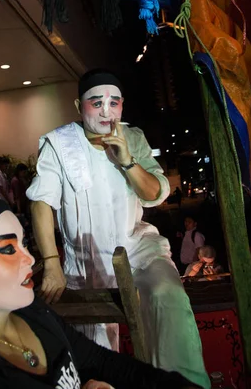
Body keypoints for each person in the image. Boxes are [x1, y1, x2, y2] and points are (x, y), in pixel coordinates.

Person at [0, 189, 199, 389]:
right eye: (8, 249)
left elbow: (100, 361)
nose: (30, 258)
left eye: (24, 242)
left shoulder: (33, 312)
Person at [27, 69, 210, 389]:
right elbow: (41, 202)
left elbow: (154, 195)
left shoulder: (133, 137)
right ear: (78, 105)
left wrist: (127, 161)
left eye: (114, 102)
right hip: (85, 257)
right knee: (98, 355)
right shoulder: (58, 143)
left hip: (134, 246)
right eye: (96, 103)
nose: (106, 111)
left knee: (166, 293)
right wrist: (52, 262)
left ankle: (181, 383)